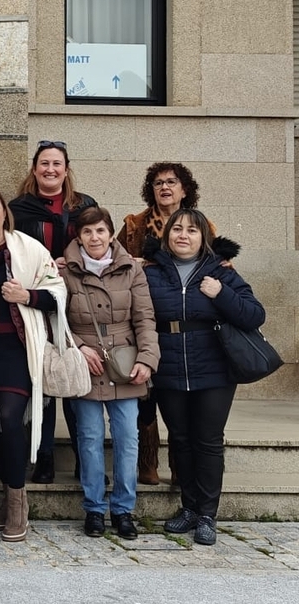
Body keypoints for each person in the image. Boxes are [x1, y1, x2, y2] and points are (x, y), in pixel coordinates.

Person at [143, 209, 264, 546]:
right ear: (167, 235)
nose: (184, 235)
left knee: (208, 440)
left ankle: (208, 514)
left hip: (214, 370)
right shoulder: (151, 273)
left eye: (192, 231)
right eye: (177, 229)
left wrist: (221, 294)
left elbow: (255, 314)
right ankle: (189, 508)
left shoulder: (220, 271)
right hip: (168, 369)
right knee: (180, 438)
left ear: (204, 238)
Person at [0, 187, 67, 542]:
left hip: (18, 349)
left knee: (9, 418)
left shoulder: (30, 248)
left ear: (5, 212)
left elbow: (58, 293)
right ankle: (8, 500)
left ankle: (18, 502)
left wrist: (27, 296)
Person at [61, 206, 159, 540]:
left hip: (124, 363)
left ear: (110, 233)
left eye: (101, 231)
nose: (95, 238)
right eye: (87, 232)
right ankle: (93, 509)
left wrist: (147, 359)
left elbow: (145, 318)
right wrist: (78, 347)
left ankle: (123, 509)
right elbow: (55, 321)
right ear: (79, 236)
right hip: (86, 363)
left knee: (127, 439)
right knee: (88, 438)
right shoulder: (65, 270)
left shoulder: (131, 269)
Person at [117, 162, 212, 486]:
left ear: (185, 188)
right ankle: (148, 461)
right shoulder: (134, 225)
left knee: (180, 400)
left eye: (172, 182)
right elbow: (116, 264)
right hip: (142, 321)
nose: (165, 187)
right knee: (145, 395)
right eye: (158, 182)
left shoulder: (202, 225)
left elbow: (214, 264)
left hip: (185, 326)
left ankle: (179, 467)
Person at [9, 140, 98, 484]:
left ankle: (80, 456)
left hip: (78, 300)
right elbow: (13, 252)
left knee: (74, 374)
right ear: (34, 169)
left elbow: (99, 242)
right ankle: (43, 456)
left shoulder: (84, 205)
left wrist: (70, 263)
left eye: (56, 164)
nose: (50, 169)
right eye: (44, 163)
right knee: (42, 377)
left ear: (66, 168)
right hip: (36, 300)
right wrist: (45, 267)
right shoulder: (19, 208)